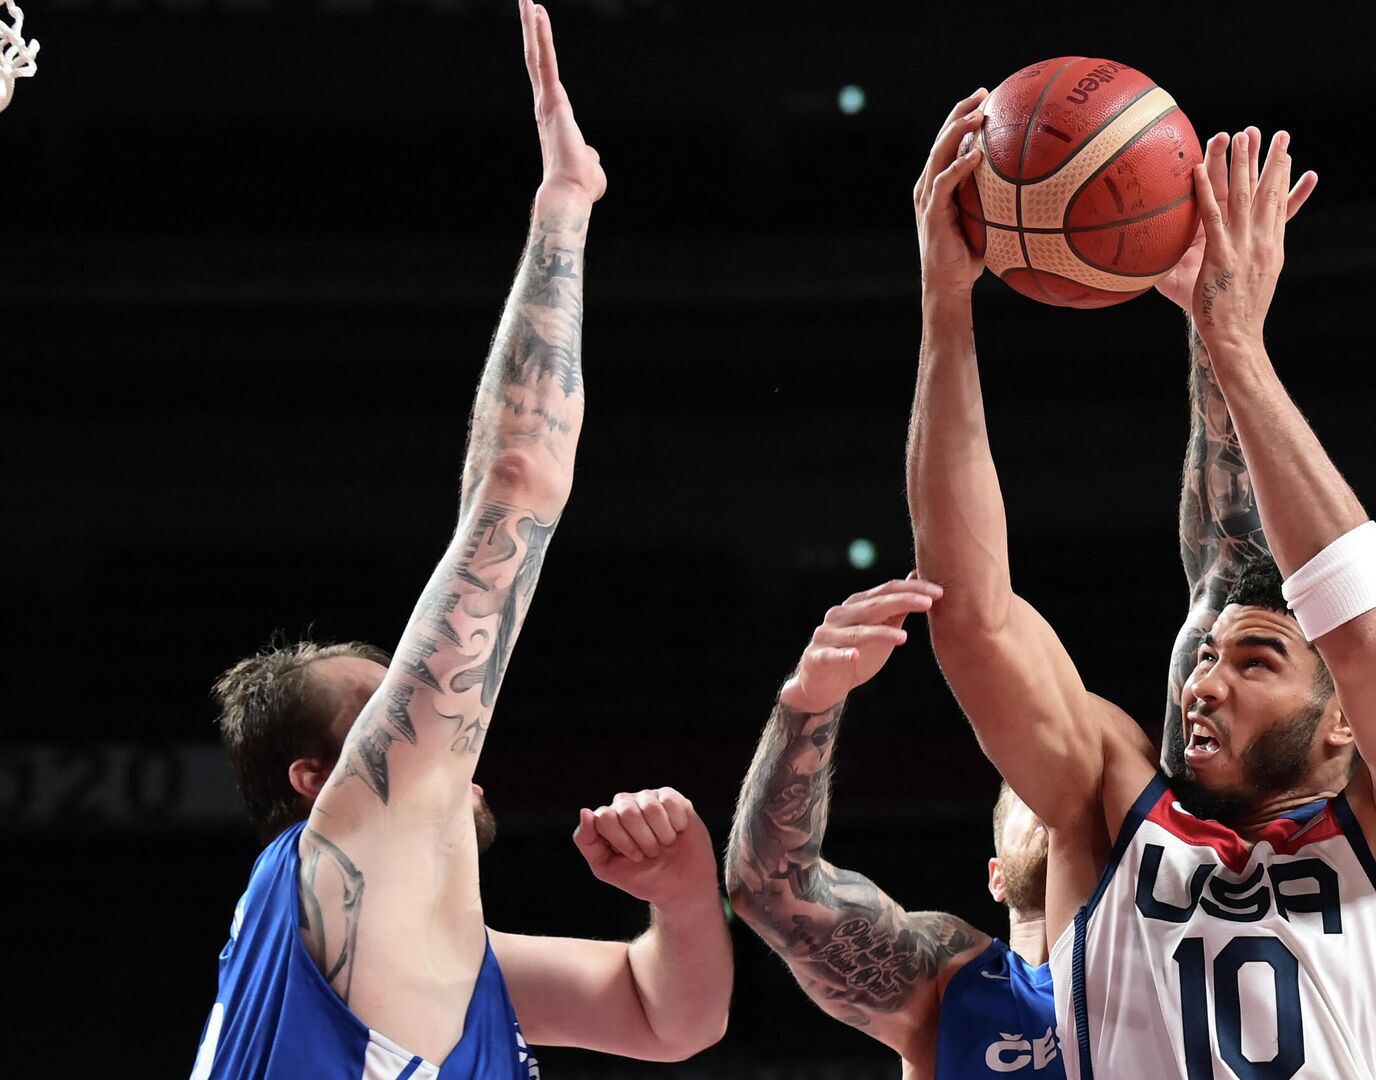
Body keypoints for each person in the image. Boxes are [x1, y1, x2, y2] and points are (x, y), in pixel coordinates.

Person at [906, 91, 1376, 1079]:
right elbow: (970, 618)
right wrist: (944, 308)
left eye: (1256, 658)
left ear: (1342, 719)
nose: (1200, 685)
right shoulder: (1104, 788)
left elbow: (1365, 634)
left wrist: (1235, 344)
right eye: (1206, 656)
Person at [187, 4, 731, 1075]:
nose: (424, 700)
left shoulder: (402, 947)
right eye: (380, 701)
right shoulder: (357, 850)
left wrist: (680, 895)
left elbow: (671, 1015)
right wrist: (564, 211)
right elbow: (516, 482)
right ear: (319, 780)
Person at [726, 578, 1064, 1079]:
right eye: (1023, 788)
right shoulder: (951, 977)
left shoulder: (1170, 966)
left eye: (1065, 788)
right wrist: (809, 704)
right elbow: (770, 888)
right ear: (996, 876)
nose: (1044, 796)